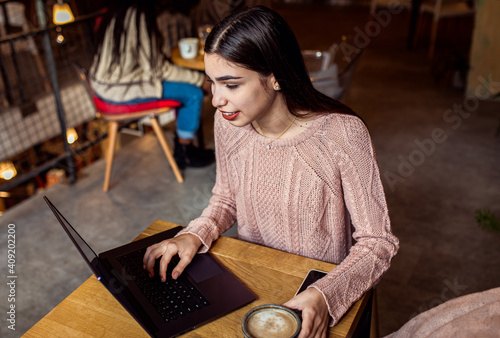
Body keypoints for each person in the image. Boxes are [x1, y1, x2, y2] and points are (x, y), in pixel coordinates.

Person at [143, 5, 399, 337]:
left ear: (275, 75)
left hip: (317, 293)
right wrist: (195, 234)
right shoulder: (230, 125)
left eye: (231, 84)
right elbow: (225, 198)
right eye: (212, 83)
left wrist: (326, 294)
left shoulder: (343, 134)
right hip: (256, 286)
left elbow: (378, 242)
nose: (216, 99)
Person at [89, 0, 214, 170]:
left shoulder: (120, 9)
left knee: (186, 84)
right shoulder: (138, 15)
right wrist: (200, 81)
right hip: (119, 90)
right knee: (193, 93)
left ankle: (184, 145)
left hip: (104, 86)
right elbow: (158, 69)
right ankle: (184, 153)